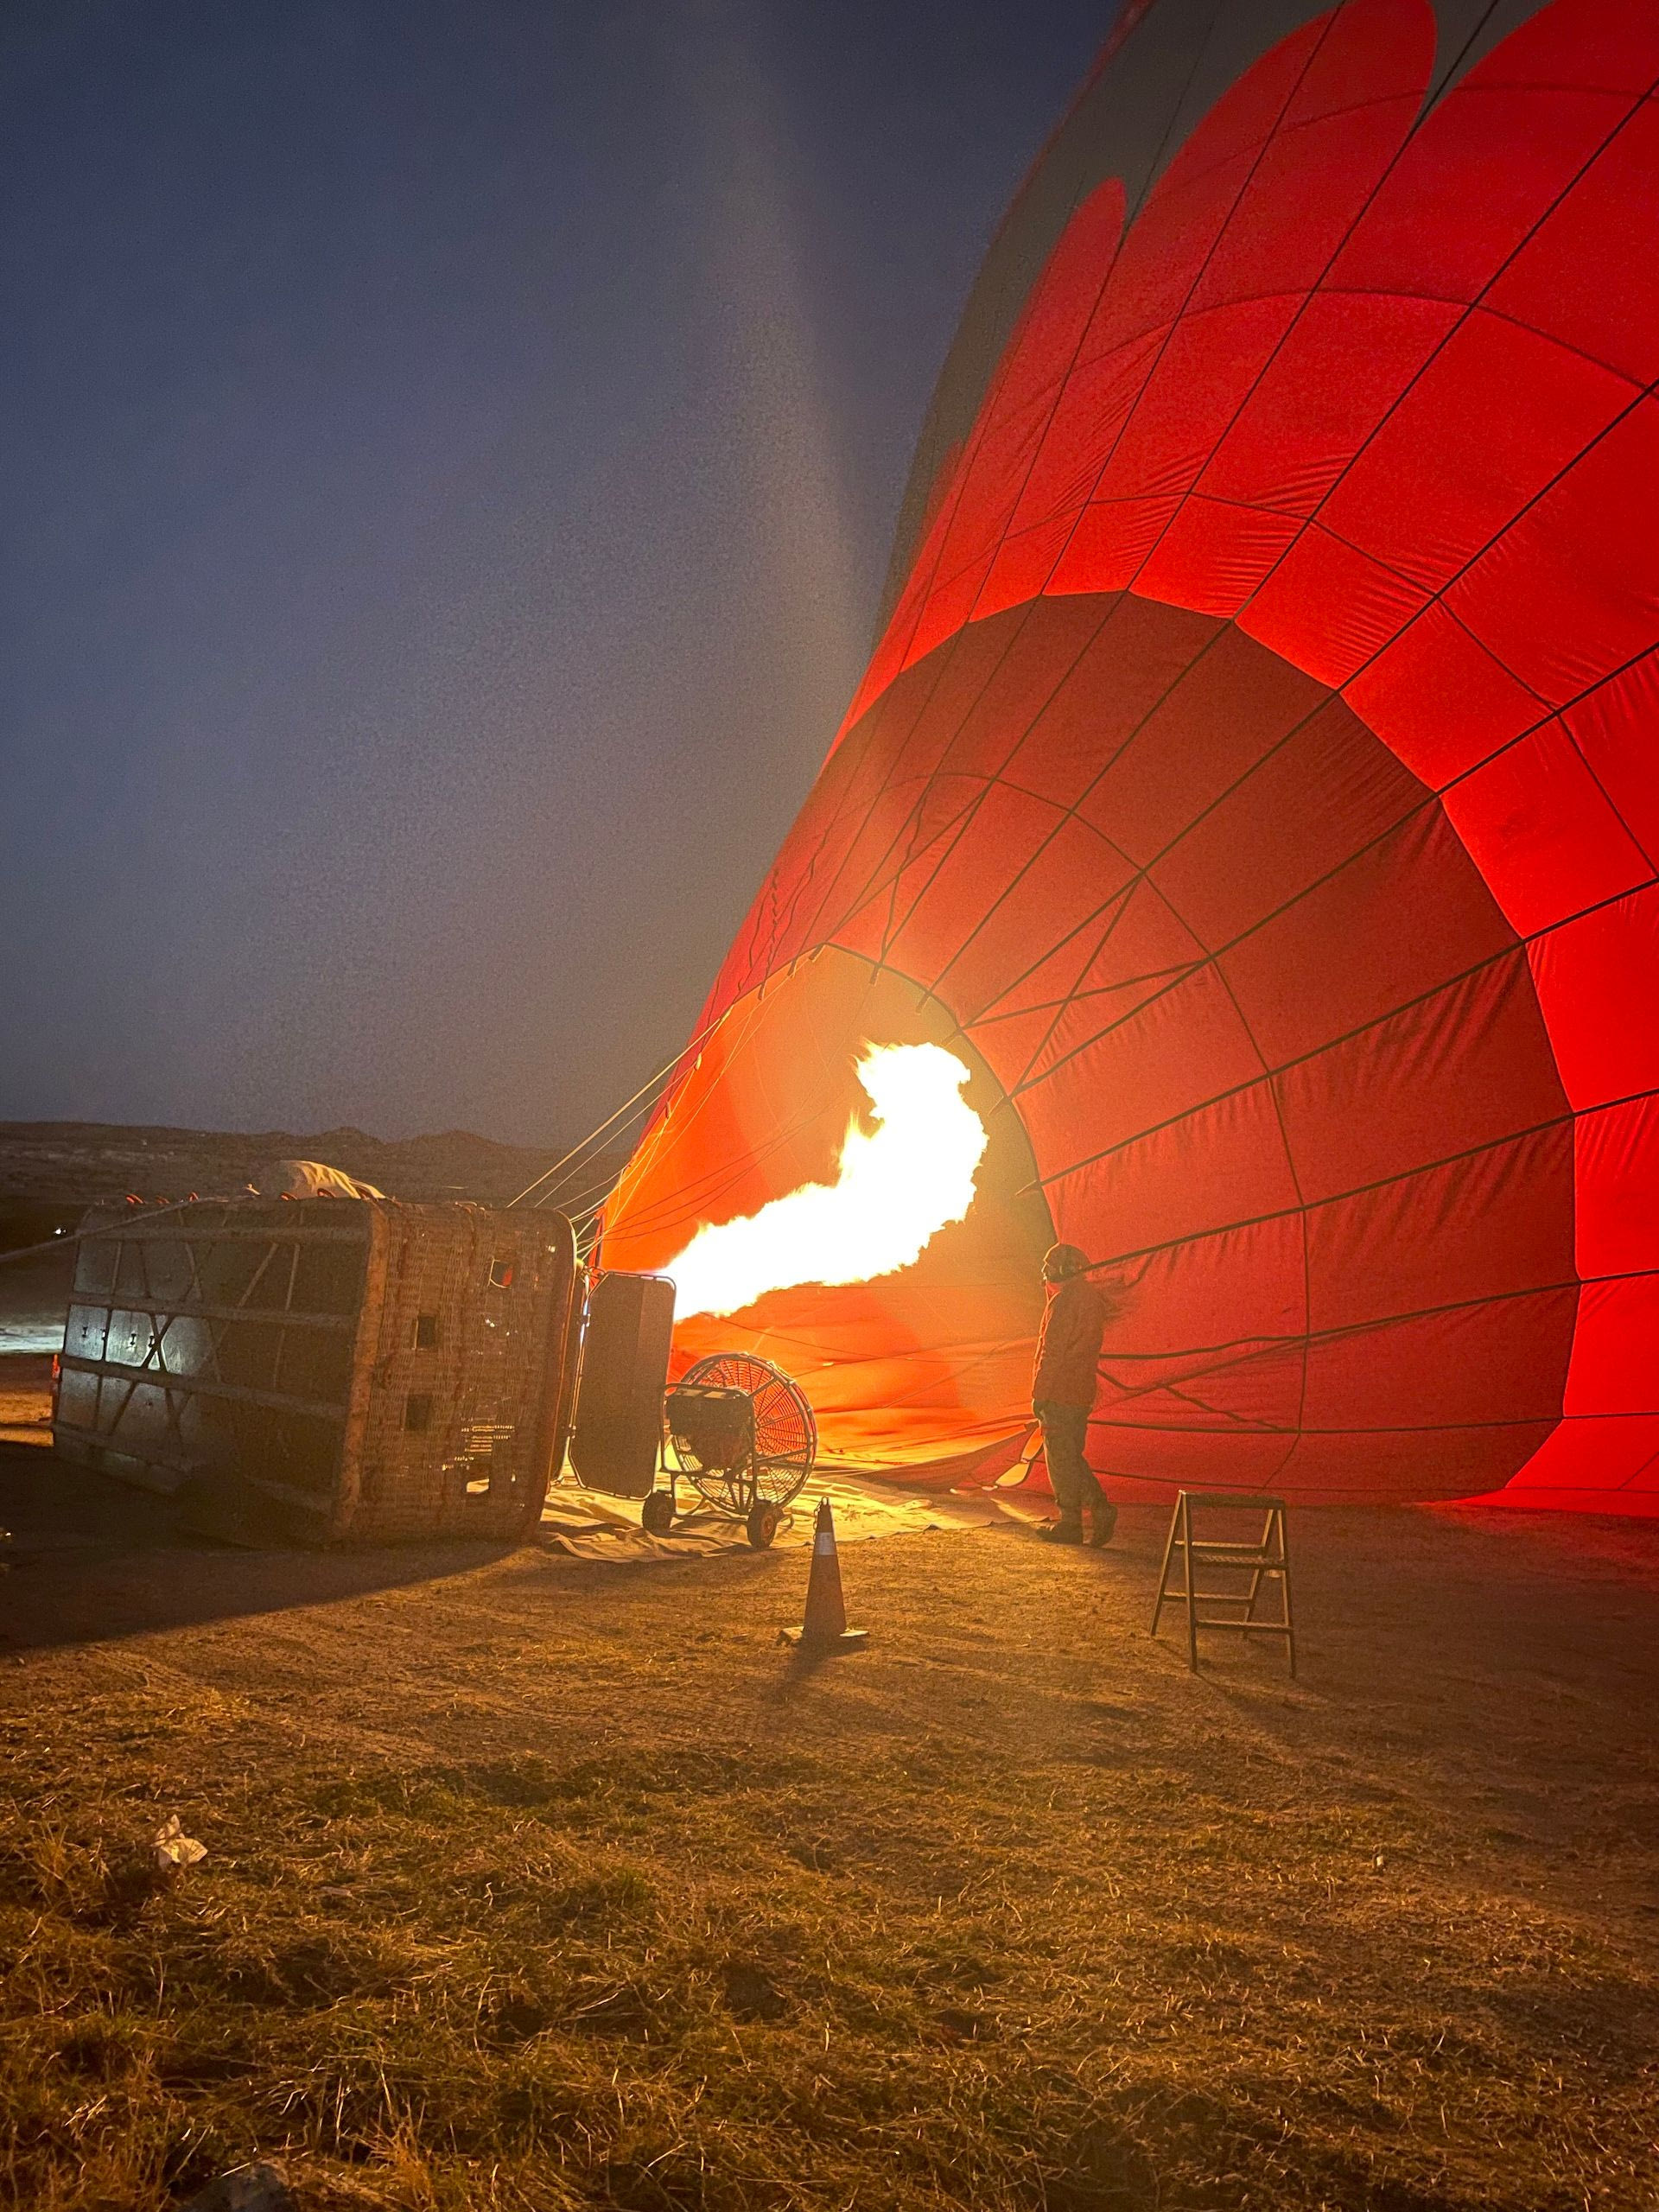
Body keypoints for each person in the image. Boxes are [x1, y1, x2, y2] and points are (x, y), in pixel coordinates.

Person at [1032, 1242, 1115, 1546]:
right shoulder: (1092, 1299)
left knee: (1061, 1459)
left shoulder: (1065, 1301)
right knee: (1071, 1455)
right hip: (1081, 1392)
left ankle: (1082, 1516)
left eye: (1051, 1265)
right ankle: (1086, 1516)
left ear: (1066, 1268)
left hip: (1059, 1392)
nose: (1046, 1271)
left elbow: (1052, 1352)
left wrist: (1040, 1393)